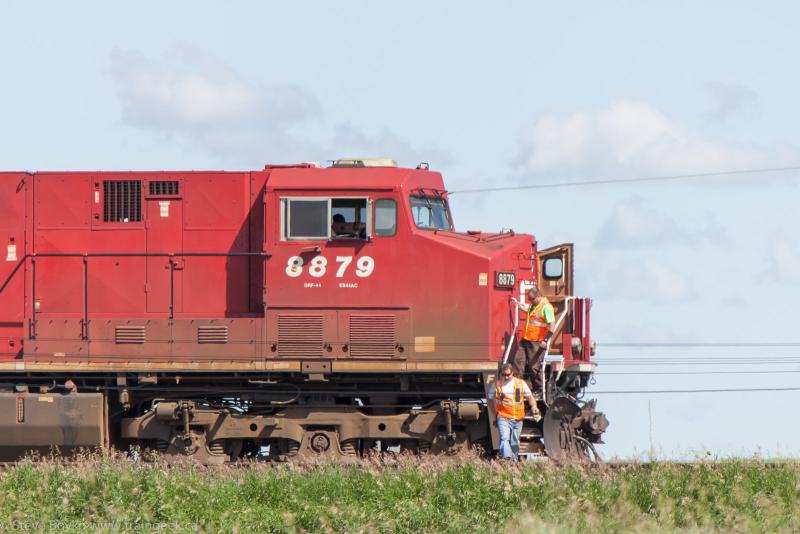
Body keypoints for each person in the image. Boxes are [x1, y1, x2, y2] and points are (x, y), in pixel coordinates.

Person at [487, 363, 538, 460]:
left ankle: (513, 462)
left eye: (508, 374)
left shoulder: (521, 383)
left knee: (515, 442)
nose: (506, 377)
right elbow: (489, 398)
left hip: (517, 418)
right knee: (504, 439)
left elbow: (530, 397)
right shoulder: (497, 384)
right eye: (504, 375)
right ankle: (507, 458)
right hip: (503, 417)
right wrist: (495, 413)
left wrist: (534, 407)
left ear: (512, 373)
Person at [511, 286, 555, 396]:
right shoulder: (534, 305)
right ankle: (517, 388)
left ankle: (539, 390)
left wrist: (546, 340)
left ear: (538, 296)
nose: (530, 301)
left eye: (532, 299)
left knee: (534, 366)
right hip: (526, 339)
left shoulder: (546, 307)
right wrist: (518, 304)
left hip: (537, 341)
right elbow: (528, 309)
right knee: (518, 360)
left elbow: (552, 325)